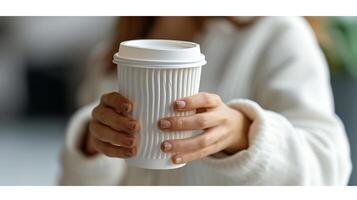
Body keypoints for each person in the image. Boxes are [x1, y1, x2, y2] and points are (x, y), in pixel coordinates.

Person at [59, 17, 352, 185]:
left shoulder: (278, 35)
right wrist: (91, 146)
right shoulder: (109, 58)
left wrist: (242, 133)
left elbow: (329, 167)